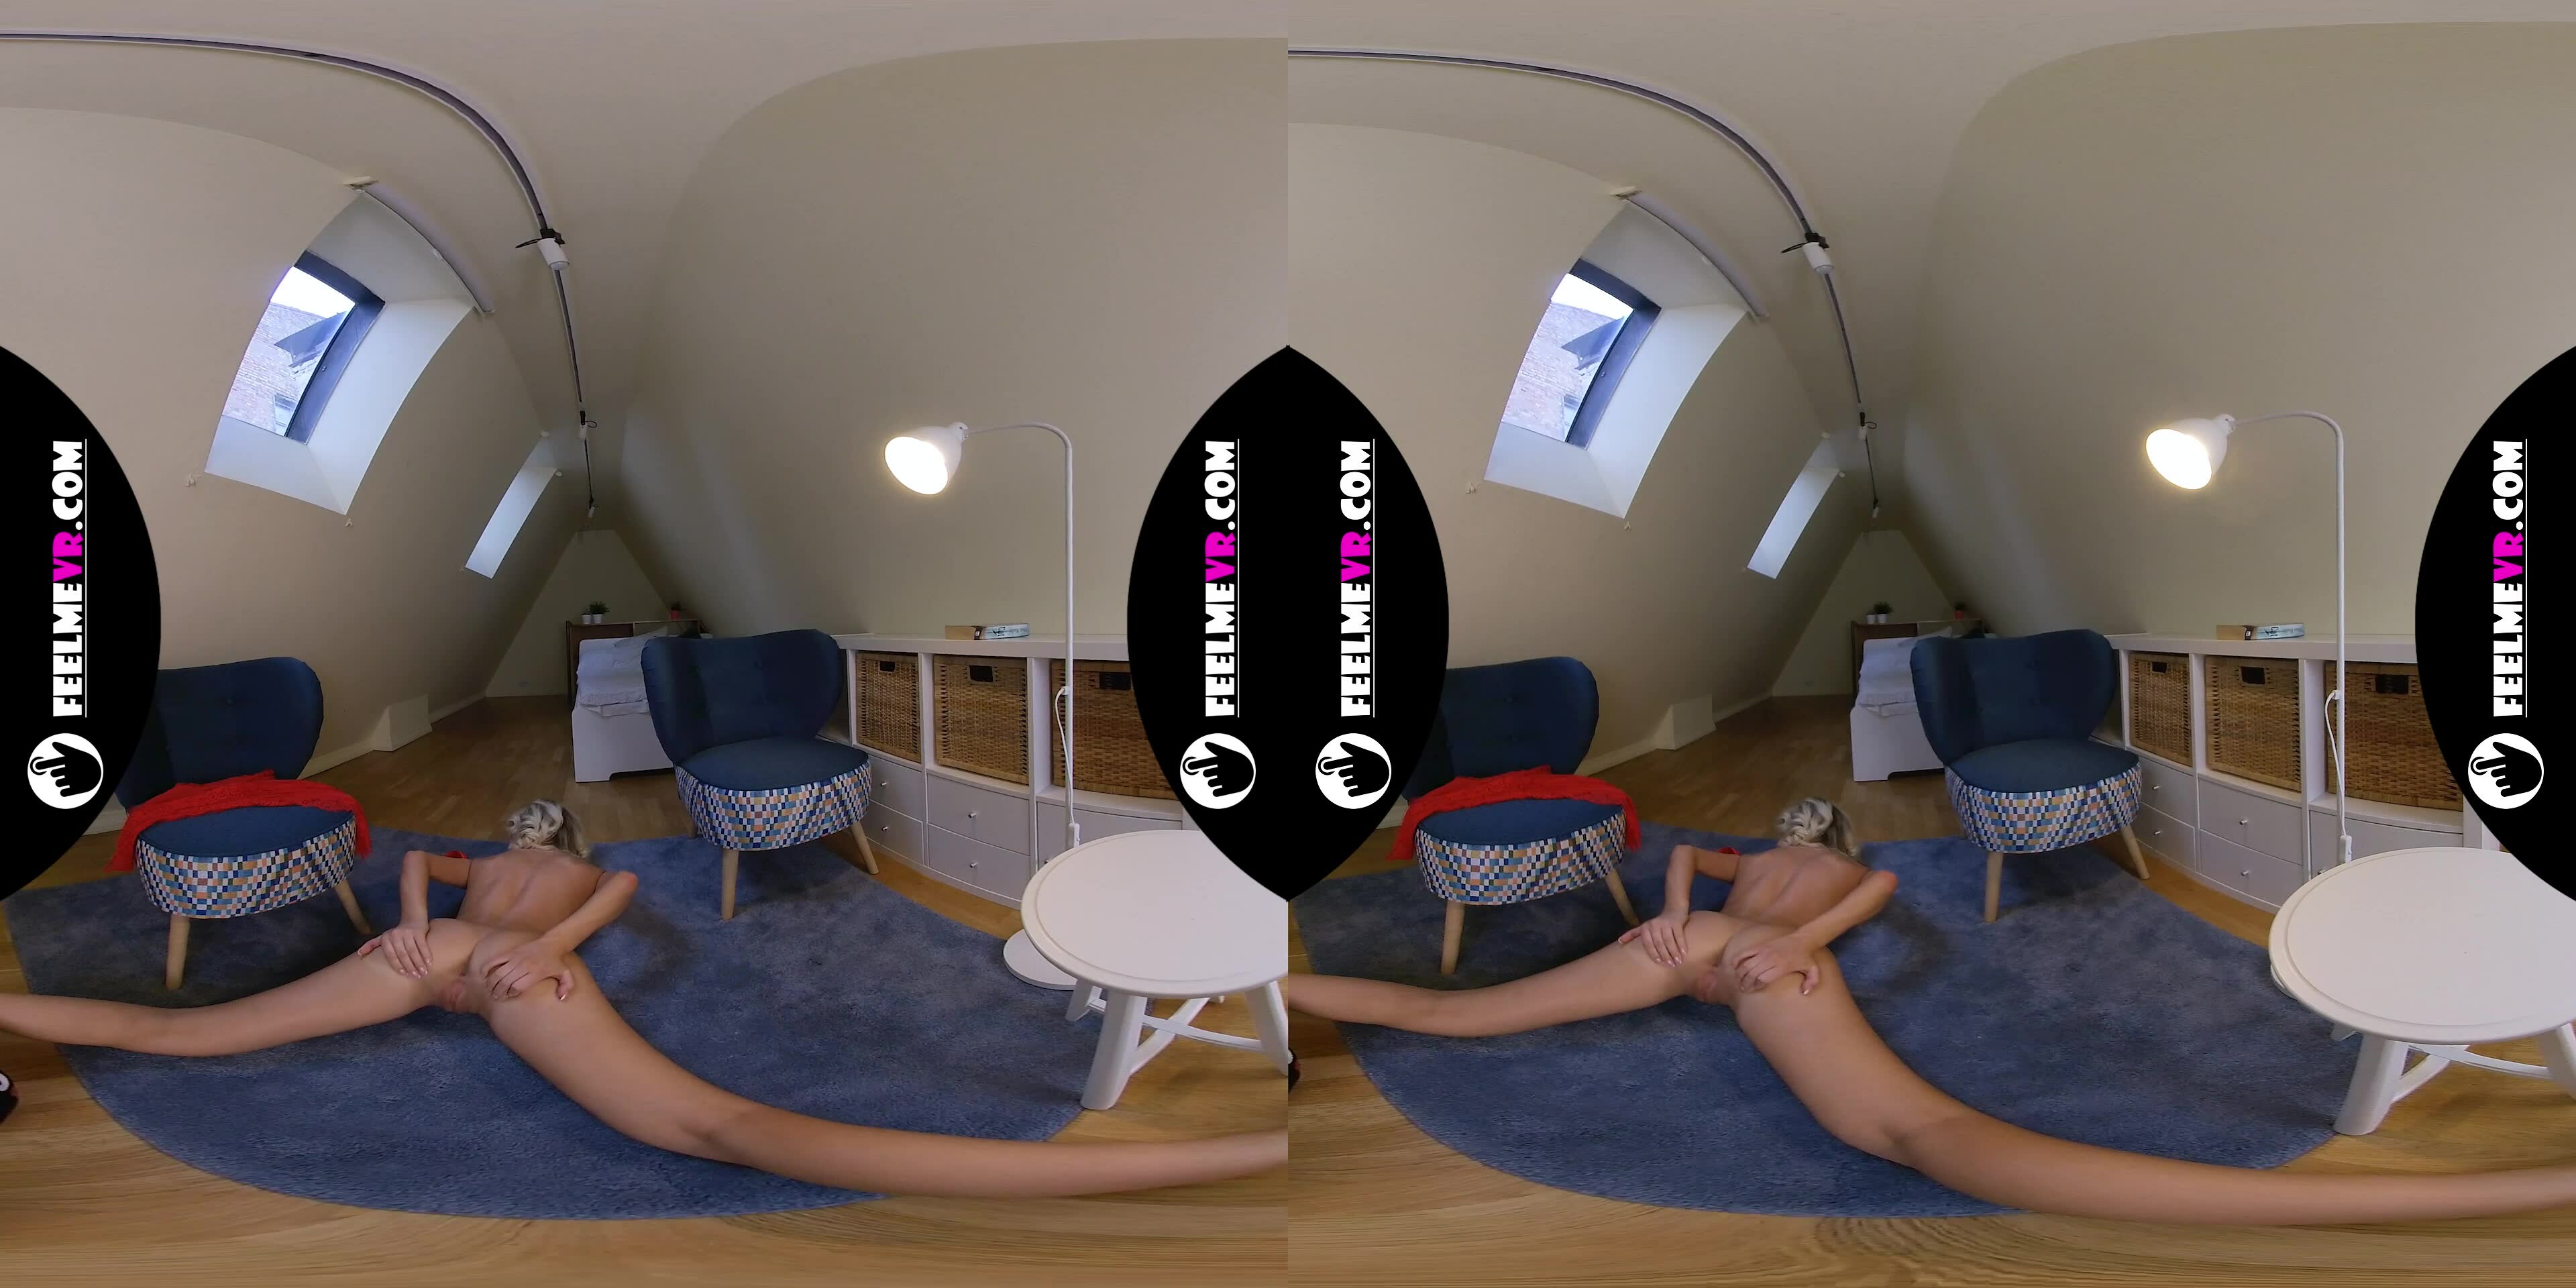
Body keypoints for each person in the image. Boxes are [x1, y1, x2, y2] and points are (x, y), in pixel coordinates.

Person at [1283, 798, 2576, 1224]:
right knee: (1911, 1131)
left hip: (1701, 946)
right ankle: (2443, 1200)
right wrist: (1776, 956)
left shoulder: (1749, 859)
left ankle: (1258, 981)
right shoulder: (1847, 869)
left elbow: (1685, 869)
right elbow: (1858, 909)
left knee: (1445, 1013)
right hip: (1758, 960)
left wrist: (1668, 925)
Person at [0, 800, 1281, 1197]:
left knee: (175, 1033)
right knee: (716, 1127)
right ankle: (1220, 1157)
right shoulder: (587, 871)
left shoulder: (488, 866)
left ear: (527, 831)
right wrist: (528, 957)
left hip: (439, 956)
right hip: (504, 969)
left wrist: (417, 931)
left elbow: (423, 866)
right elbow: (601, 911)